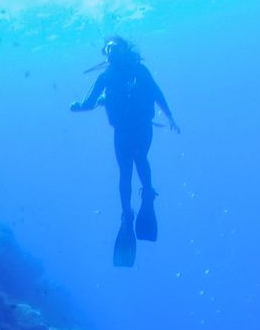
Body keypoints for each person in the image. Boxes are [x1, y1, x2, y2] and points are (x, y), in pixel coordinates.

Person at [71, 36, 179, 267]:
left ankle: (140, 201)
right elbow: (88, 102)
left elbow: (156, 93)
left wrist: (169, 117)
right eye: (107, 49)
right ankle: (131, 209)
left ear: (123, 49)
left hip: (137, 128)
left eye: (114, 47)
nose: (111, 52)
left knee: (136, 161)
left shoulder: (135, 71)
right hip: (126, 130)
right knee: (129, 168)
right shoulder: (110, 76)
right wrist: (81, 106)